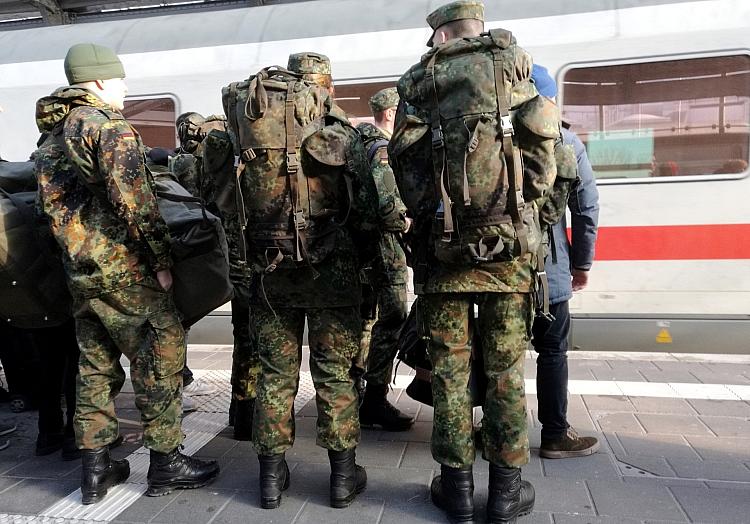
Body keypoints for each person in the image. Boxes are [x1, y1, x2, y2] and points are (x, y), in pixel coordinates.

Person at [391, 2, 560, 522]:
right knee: (506, 373)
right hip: (510, 260)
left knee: (449, 374)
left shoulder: (418, 83)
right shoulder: (516, 70)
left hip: (443, 263)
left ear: (440, 35)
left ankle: (458, 490)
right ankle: (506, 491)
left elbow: (405, 170)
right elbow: (541, 172)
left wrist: (437, 215)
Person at [33, 43, 219, 504]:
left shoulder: (52, 134)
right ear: (97, 81)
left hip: (80, 272)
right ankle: (166, 462)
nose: (124, 85)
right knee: (161, 352)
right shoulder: (106, 128)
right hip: (123, 270)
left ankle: (96, 468)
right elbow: (135, 203)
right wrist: (159, 262)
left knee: (94, 366)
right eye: (118, 79)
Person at [245, 52, 379, 509]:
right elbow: (367, 210)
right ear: (326, 87)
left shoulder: (249, 130)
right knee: (334, 374)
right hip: (333, 275)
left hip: (270, 272)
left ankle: (269, 478)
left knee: (275, 376)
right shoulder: (342, 133)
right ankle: (342, 478)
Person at [530, 65, 601, 459]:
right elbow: (586, 208)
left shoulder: (490, 139)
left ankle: (492, 429)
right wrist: (581, 264)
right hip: (548, 271)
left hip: (496, 268)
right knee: (552, 351)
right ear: (551, 100)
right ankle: (555, 434)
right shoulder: (567, 141)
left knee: (494, 351)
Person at [355, 88, 413, 431]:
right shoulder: (381, 150)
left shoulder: (359, 144)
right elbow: (389, 208)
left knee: (365, 319)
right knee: (392, 317)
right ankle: (374, 399)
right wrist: (409, 222)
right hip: (383, 247)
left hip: (362, 249)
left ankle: (358, 389)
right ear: (390, 114)